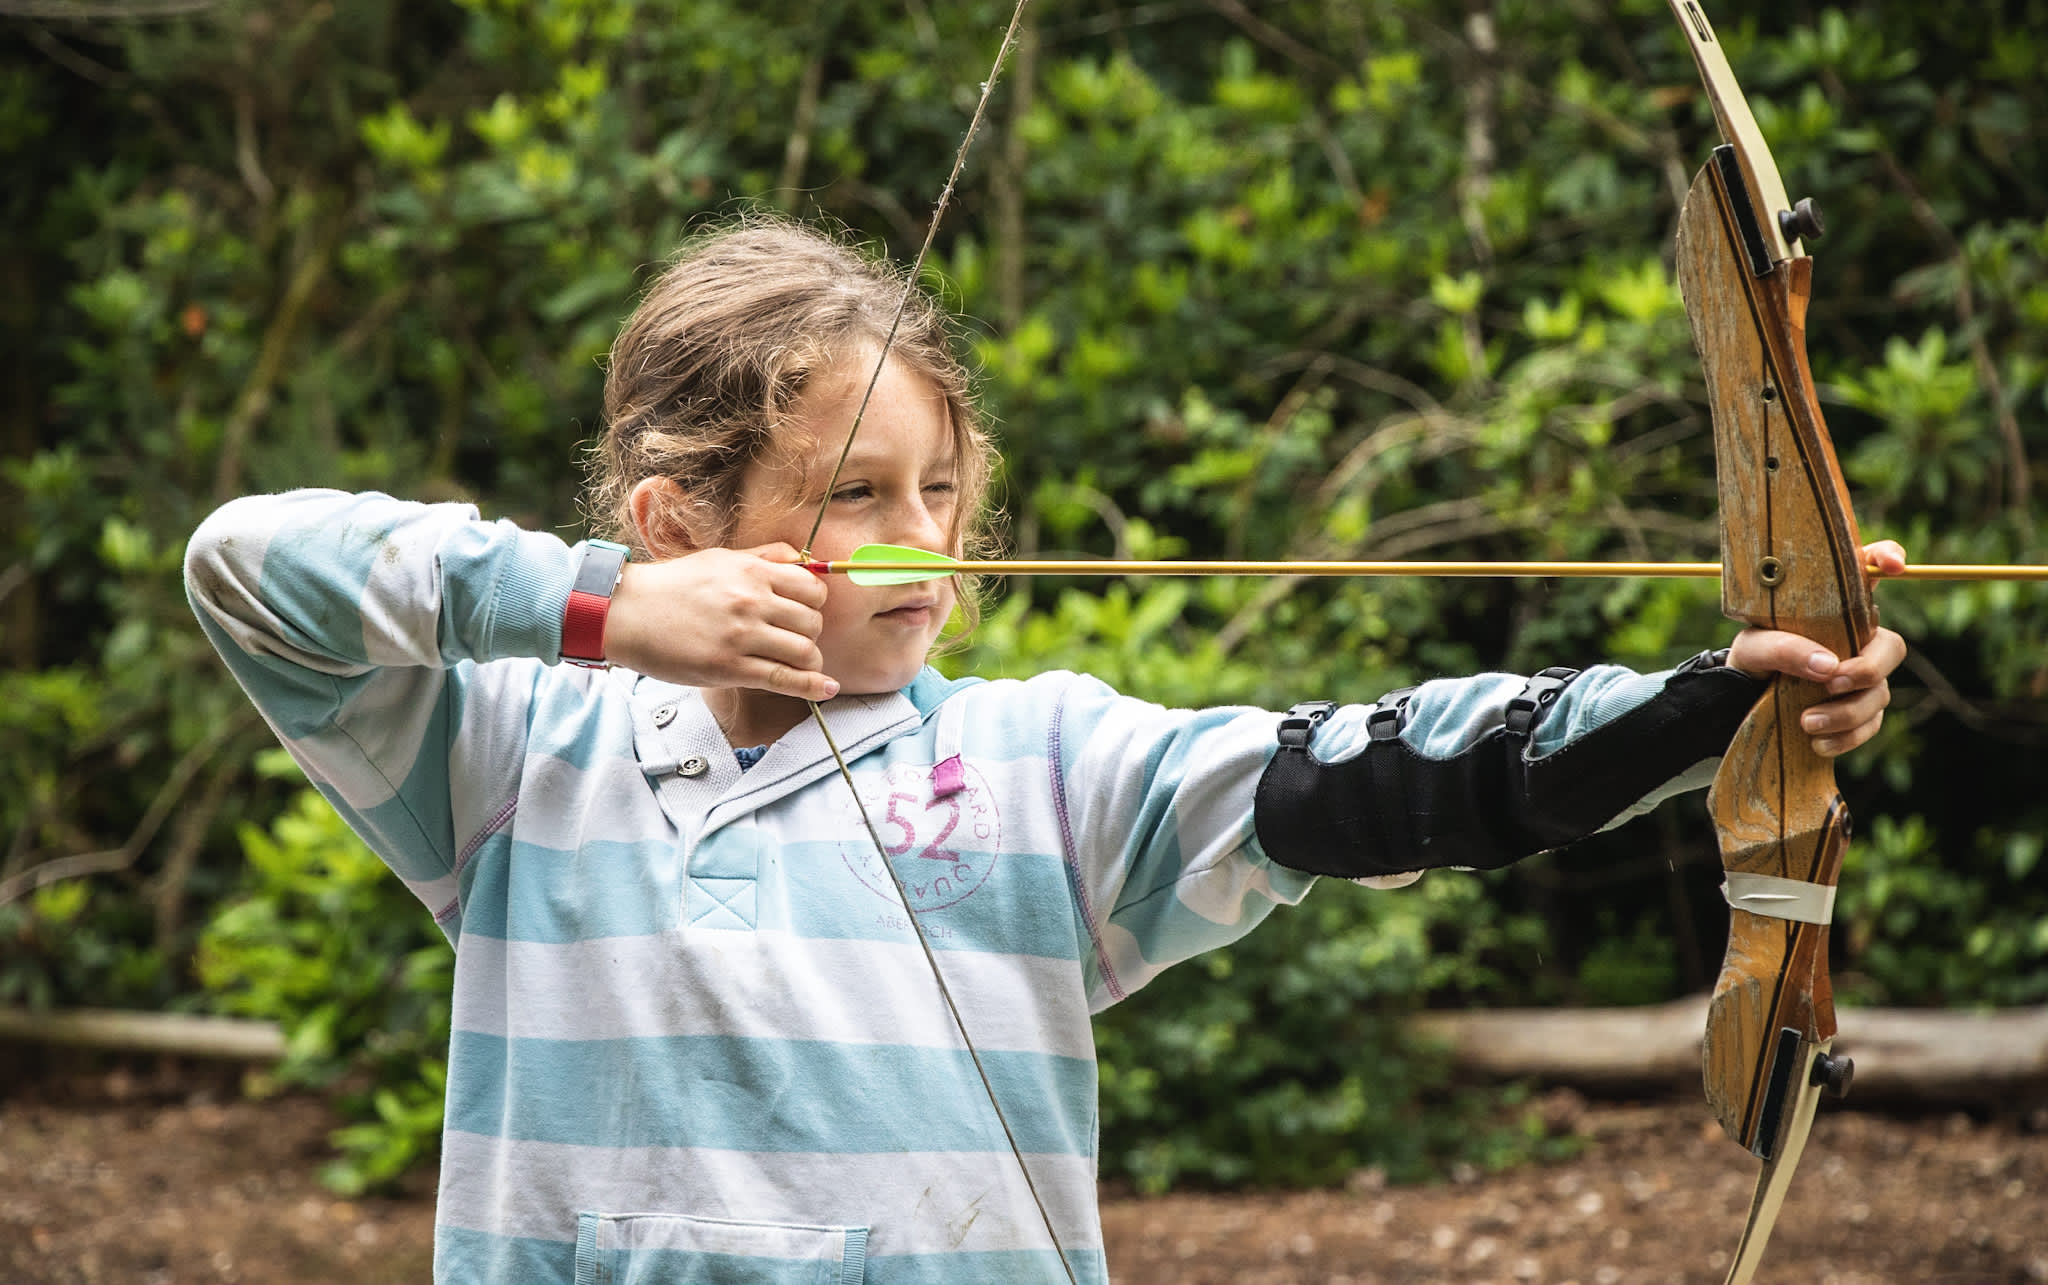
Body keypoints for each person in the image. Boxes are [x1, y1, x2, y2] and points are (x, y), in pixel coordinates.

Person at [185, 217, 1907, 1285]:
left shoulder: (1039, 771)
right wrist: (601, 611)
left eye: (942, 489)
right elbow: (249, 569)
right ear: (676, 519)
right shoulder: (512, 759)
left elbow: (1372, 771)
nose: (924, 538)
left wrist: (1714, 705)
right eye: (854, 496)